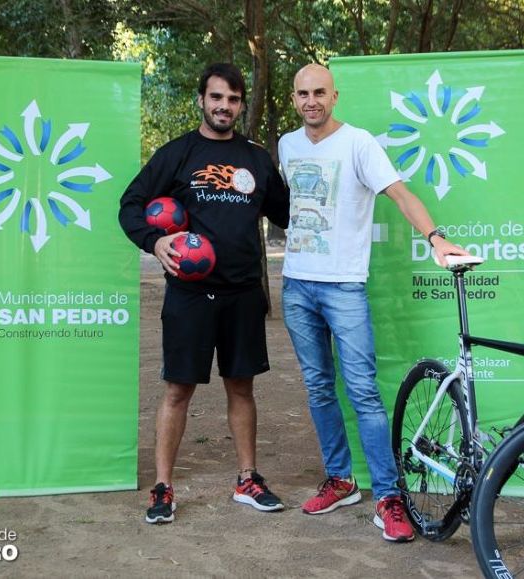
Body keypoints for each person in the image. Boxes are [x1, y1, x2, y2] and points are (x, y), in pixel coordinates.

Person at [278, 64, 469, 542]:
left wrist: (435, 237)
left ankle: (387, 497)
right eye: (303, 94)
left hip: (343, 286)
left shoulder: (359, 142)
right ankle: (341, 480)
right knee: (320, 387)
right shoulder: (286, 145)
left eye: (319, 92)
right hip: (296, 286)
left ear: (334, 95)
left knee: (362, 392)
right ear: (294, 97)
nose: (311, 101)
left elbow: (400, 193)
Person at [119, 63, 290, 524]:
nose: (224, 107)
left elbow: (286, 213)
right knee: (178, 390)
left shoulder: (256, 158)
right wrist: (154, 242)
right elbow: (130, 205)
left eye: (233, 99)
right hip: (190, 295)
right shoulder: (176, 154)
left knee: (242, 386)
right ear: (202, 100)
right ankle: (163, 488)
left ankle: (247, 479)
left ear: (240, 104)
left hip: (242, 292)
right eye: (216, 97)